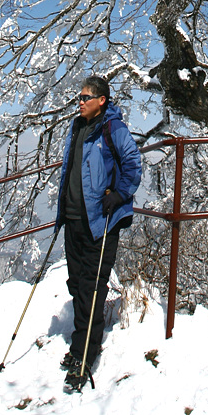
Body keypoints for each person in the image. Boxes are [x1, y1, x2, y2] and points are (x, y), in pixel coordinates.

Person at [56, 76, 142, 392]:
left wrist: (120, 193)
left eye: (85, 97)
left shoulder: (112, 128)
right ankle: (81, 344)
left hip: (100, 222)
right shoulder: (78, 127)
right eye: (78, 97)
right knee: (77, 284)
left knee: (92, 289)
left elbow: (133, 162)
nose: (79, 101)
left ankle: (84, 355)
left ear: (101, 100)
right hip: (74, 219)